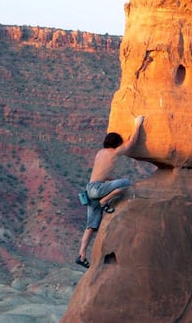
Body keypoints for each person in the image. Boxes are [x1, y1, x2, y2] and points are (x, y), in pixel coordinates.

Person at [75, 115, 145, 269]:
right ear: (116, 143)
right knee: (127, 183)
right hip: (98, 190)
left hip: (89, 189)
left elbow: (103, 174)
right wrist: (138, 124)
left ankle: (81, 254)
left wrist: (111, 182)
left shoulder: (100, 153)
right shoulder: (115, 152)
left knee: (91, 226)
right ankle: (105, 201)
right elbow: (132, 142)